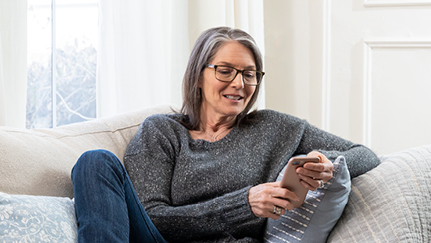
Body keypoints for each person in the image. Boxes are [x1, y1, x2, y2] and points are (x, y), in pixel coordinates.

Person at [71, 26, 380, 243]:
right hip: (158, 239)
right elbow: (154, 219)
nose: (239, 84)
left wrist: (325, 163)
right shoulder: (162, 132)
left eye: (249, 74)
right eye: (225, 71)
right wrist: (245, 203)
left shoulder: (276, 128)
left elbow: (365, 154)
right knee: (95, 161)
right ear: (199, 76)